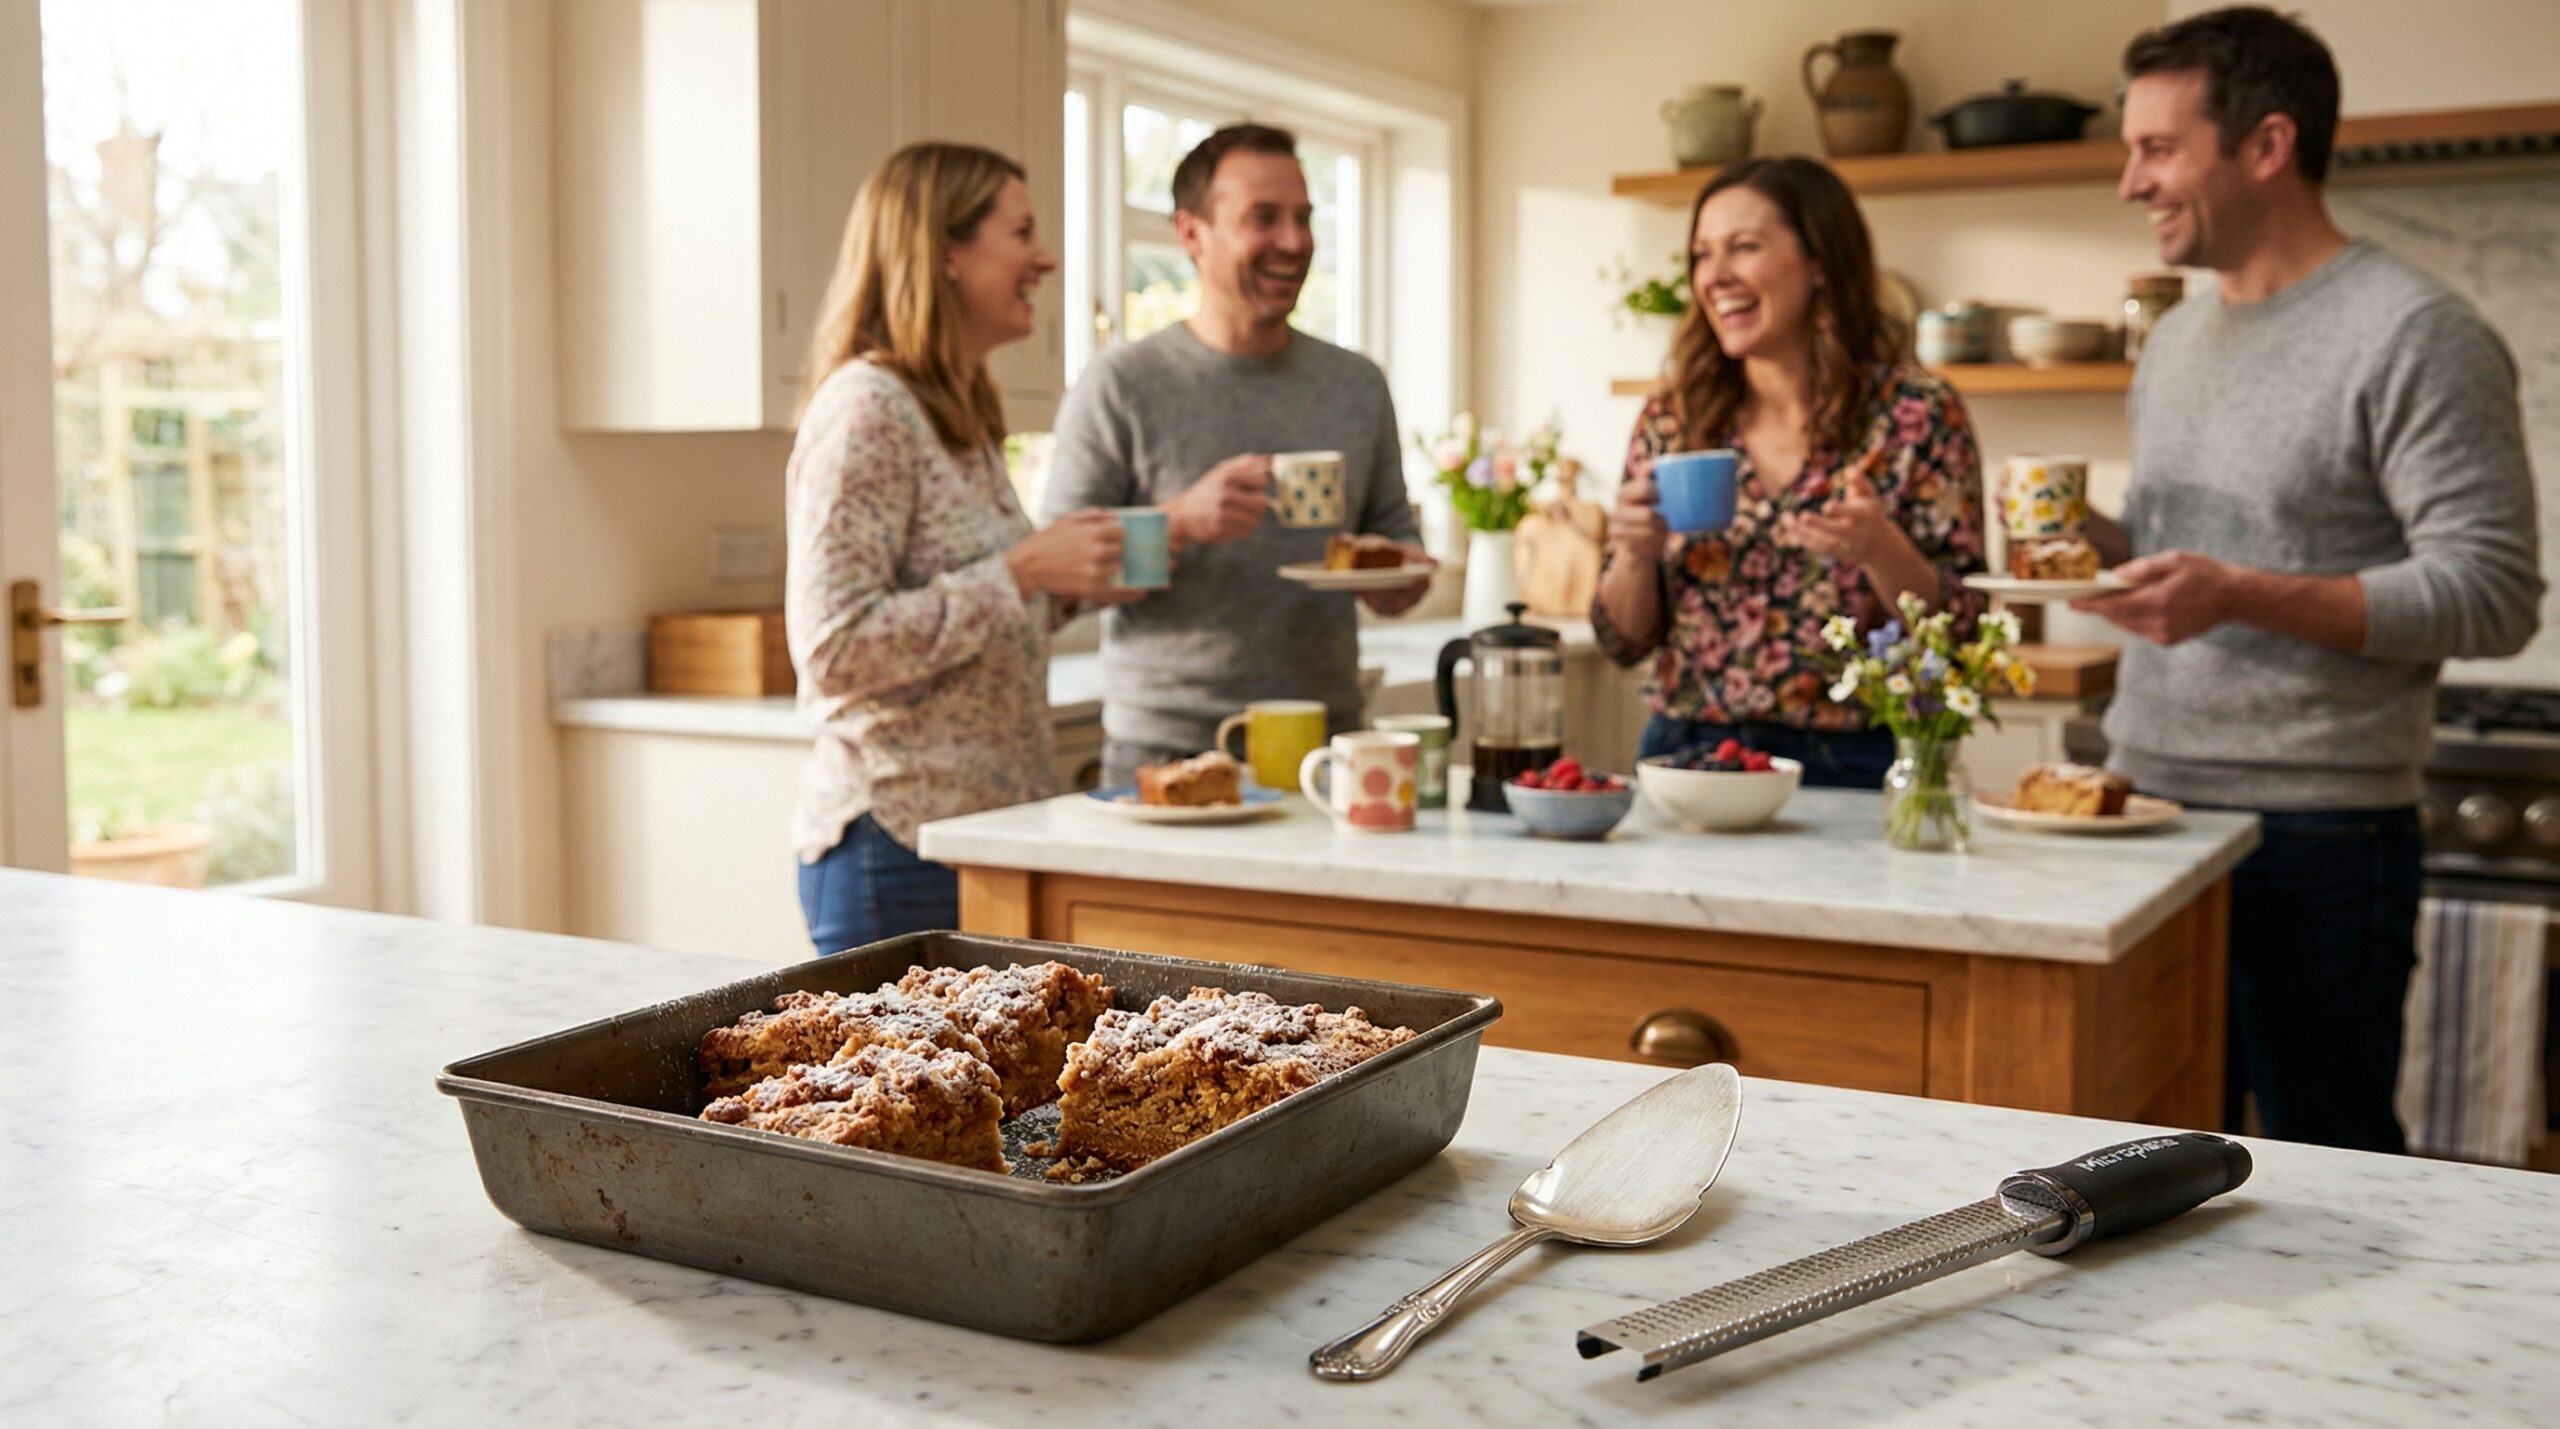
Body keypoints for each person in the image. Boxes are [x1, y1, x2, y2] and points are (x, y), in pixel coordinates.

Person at [2070, 7, 2541, 1151]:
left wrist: (2238, 592)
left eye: (2158, 148)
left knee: (2325, 1168)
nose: (2131, 181)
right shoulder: (2175, 338)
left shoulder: (2413, 332)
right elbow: (2169, 555)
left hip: (2318, 839)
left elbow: (2491, 592)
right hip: (2145, 813)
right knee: (2139, 1152)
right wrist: (2061, 544)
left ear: (2267, 146)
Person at [784, 142, 1135, 953]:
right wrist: (1020, 569)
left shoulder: (958, 414)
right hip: (895, 847)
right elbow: (833, 651)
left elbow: (973, 633)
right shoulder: (867, 409)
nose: (1043, 258)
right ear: (945, 252)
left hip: (974, 841)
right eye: (1021, 232)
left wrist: (1069, 586)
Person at [1042, 124, 1431, 788]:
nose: (1295, 241)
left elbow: (1395, 542)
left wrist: (1398, 574)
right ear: (1192, 233)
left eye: (1304, 219)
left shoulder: (1356, 385)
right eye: (1264, 219)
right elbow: (1057, 581)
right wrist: (1181, 520)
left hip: (1326, 749)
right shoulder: (1122, 384)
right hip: (1165, 753)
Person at [1591, 156, 1987, 787]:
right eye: (1701, 255)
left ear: (1821, 262)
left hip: (1851, 760)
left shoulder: (1916, 414)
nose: (1714, 276)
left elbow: (1964, 633)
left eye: (1743, 248)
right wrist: (1632, 556)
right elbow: (1623, 641)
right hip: (1689, 754)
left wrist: (1882, 551)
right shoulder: (1673, 418)